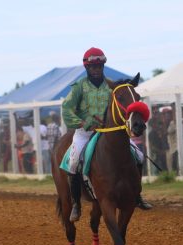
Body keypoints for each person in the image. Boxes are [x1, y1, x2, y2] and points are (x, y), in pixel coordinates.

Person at [61, 47, 152, 222]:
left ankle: (136, 195)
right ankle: (76, 204)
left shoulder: (112, 86)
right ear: (87, 68)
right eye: (93, 67)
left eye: (99, 66)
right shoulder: (79, 87)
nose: (96, 70)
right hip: (84, 132)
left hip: (109, 131)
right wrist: (83, 122)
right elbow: (67, 110)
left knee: (139, 156)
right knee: (73, 162)